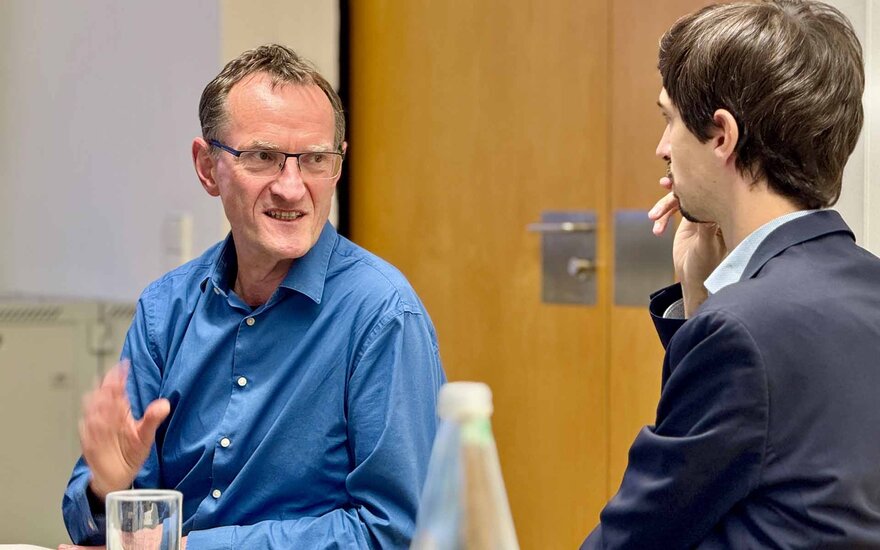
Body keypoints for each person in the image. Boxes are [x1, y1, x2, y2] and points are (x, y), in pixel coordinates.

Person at [61, 44, 445, 549]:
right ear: (207, 167)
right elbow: (101, 524)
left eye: (315, 159)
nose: (292, 188)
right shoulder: (165, 310)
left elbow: (396, 532)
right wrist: (106, 490)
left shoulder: (383, 314)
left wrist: (190, 547)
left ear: (337, 167)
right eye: (263, 157)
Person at [582, 1, 880, 548]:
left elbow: (633, 538)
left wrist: (713, 315)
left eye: (669, 119)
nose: (662, 148)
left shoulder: (740, 332)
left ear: (722, 135)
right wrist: (701, 300)